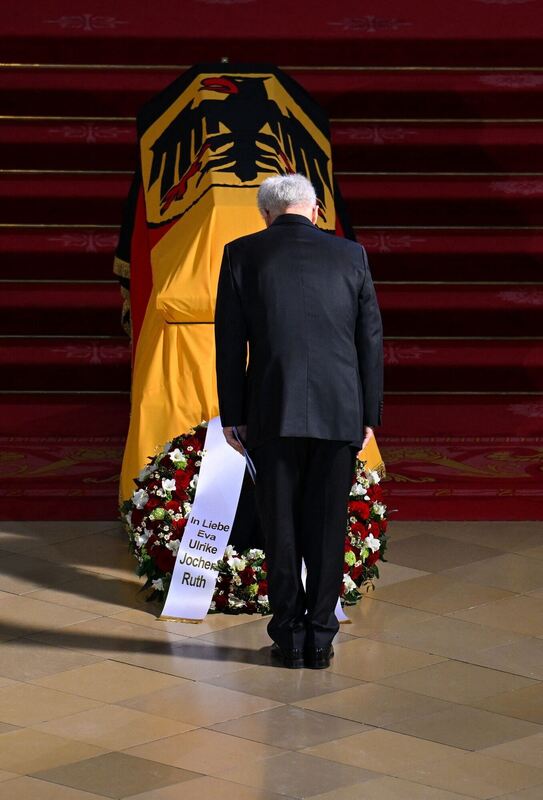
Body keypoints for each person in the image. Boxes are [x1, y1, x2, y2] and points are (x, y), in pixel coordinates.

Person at [214, 173, 383, 669]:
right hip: (339, 412)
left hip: (271, 410)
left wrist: (234, 415)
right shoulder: (351, 255)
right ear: (315, 211)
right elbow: (369, 340)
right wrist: (368, 414)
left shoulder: (242, 253)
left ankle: (288, 637)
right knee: (329, 525)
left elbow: (230, 344)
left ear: (265, 214)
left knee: (280, 524)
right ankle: (322, 639)